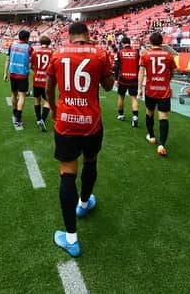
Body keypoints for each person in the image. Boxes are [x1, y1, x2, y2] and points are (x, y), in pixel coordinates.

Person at [46, 22, 114, 257]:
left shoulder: (57, 53)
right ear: (88, 35)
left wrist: (54, 109)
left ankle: (71, 238)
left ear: (69, 36)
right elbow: (108, 86)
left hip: (65, 121)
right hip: (91, 122)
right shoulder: (100, 53)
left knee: (67, 172)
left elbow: (48, 87)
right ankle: (84, 204)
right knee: (91, 161)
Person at [138, 32, 177, 156]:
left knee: (149, 113)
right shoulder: (169, 55)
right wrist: (167, 81)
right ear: (162, 42)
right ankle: (161, 144)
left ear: (150, 41)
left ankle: (152, 136)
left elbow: (141, 73)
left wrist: (139, 88)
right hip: (164, 91)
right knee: (163, 117)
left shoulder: (145, 55)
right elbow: (173, 72)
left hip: (150, 89)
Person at [4, 29, 34, 129]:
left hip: (13, 73)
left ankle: (14, 111)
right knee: (22, 96)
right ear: (26, 38)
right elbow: (31, 62)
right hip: (23, 75)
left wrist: (5, 73)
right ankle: (18, 117)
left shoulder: (12, 45)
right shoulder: (29, 48)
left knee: (13, 94)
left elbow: (7, 59)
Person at [30, 35, 55, 132]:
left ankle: (38, 119)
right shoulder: (52, 52)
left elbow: (31, 65)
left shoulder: (35, 51)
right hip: (47, 80)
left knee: (37, 99)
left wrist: (36, 70)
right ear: (49, 43)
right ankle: (42, 119)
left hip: (36, 79)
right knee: (47, 101)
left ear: (40, 42)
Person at [114, 36, 140, 127]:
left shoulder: (120, 52)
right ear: (129, 43)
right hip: (134, 78)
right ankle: (135, 117)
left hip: (123, 78)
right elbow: (138, 66)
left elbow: (116, 67)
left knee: (121, 97)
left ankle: (121, 115)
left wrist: (116, 79)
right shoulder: (136, 52)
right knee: (134, 98)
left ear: (122, 43)